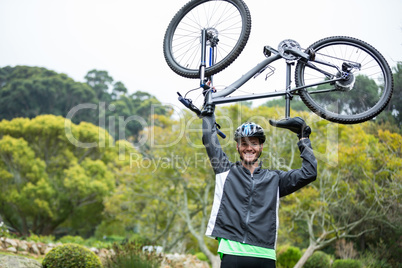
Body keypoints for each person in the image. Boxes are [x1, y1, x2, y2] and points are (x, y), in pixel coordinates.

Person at [202, 111, 317, 268]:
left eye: (254, 143)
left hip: (265, 255)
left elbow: (309, 173)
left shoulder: (275, 179)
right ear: (237, 146)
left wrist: (303, 137)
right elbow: (210, 139)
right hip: (232, 253)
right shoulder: (225, 171)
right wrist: (209, 109)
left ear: (261, 146)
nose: (249, 148)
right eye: (244, 143)